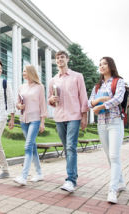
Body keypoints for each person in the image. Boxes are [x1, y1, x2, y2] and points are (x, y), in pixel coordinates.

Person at [48, 50, 88, 193]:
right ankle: (73, 174)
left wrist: (84, 117)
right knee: (67, 148)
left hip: (74, 116)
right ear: (56, 61)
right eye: (58, 58)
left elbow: (83, 97)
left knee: (71, 147)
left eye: (62, 57)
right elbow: (50, 99)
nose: (60, 60)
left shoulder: (77, 76)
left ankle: (70, 180)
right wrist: (51, 100)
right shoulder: (53, 80)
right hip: (59, 117)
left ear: (67, 59)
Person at [88, 56, 126, 204]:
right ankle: (121, 182)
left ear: (111, 66)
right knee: (110, 157)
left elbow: (118, 99)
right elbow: (89, 102)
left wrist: (102, 106)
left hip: (115, 122)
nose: (101, 66)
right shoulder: (97, 87)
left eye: (104, 64)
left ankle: (112, 190)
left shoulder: (118, 81)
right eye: (100, 64)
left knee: (114, 156)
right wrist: (97, 101)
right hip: (101, 124)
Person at [13, 65, 47, 186]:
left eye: (25, 71)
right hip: (23, 119)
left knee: (28, 146)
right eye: (23, 71)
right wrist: (18, 106)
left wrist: (42, 122)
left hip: (35, 119)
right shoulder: (21, 87)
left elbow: (43, 105)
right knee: (32, 147)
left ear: (31, 73)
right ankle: (39, 173)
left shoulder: (39, 87)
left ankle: (23, 176)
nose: (23, 73)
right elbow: (17, 102)